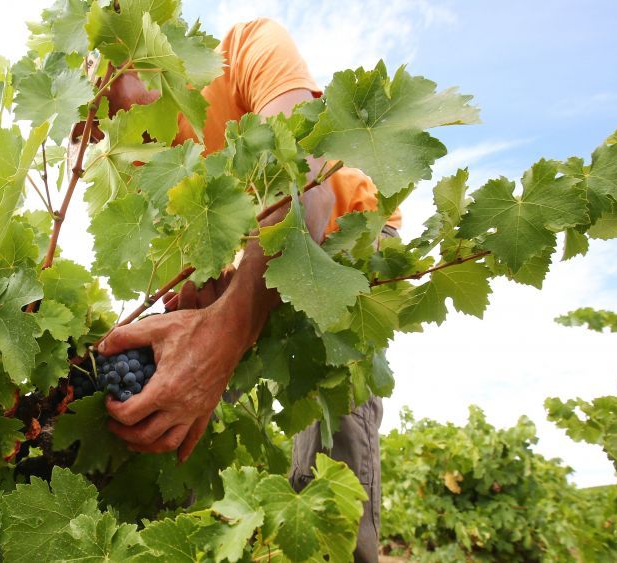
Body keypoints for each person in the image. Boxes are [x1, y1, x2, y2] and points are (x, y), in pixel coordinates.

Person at [92, 18, 400, 563]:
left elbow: (305, 187)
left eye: (93, 112)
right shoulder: (145, 161)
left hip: (345, 240)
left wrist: (222, 337)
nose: (91, 137)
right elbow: (198, 283)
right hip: (251, 261)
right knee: (193, 415)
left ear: (127, 58)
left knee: (333, 444)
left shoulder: (248, 47)